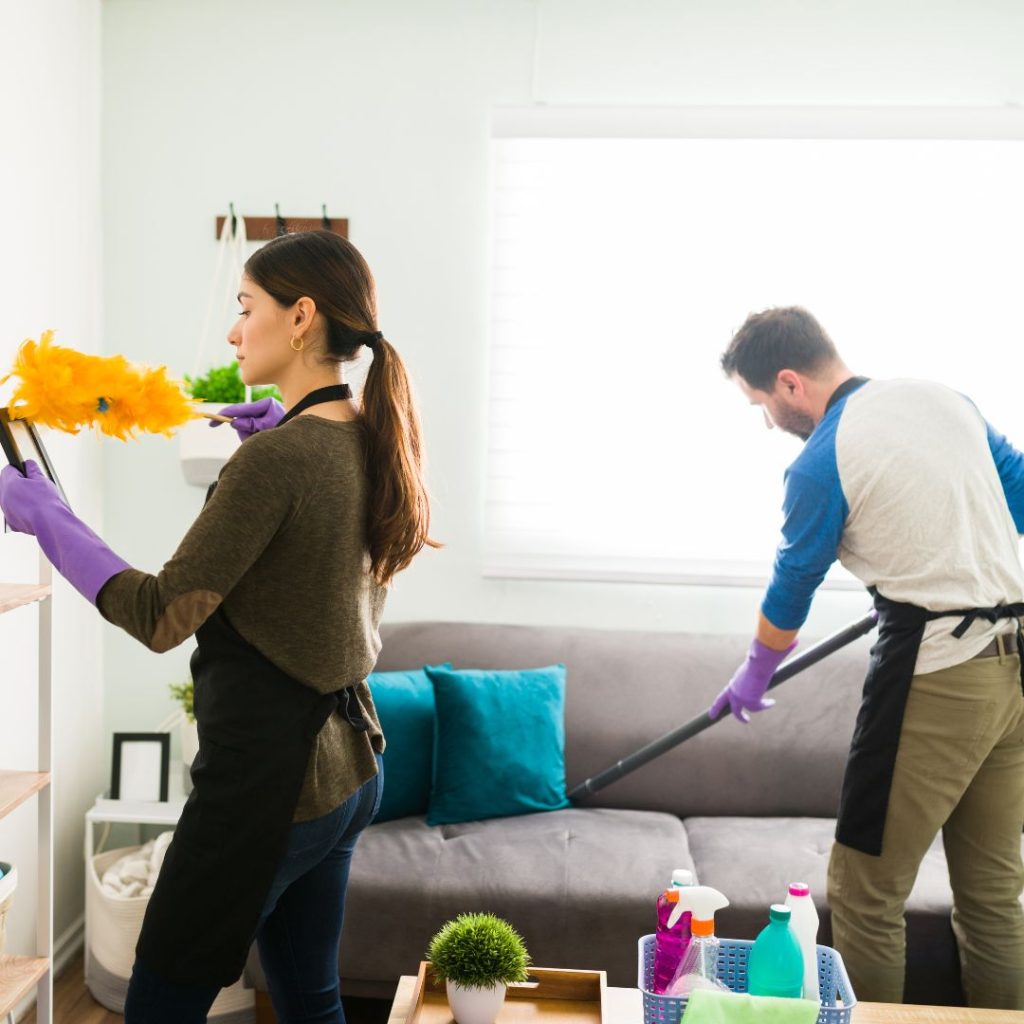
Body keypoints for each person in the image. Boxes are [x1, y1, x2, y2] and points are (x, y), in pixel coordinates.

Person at [0, 230, 436, 1023]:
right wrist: (273, 438)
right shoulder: (368, 438)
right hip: (347, 772)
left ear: (301, 317)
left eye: (246, 309)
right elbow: (309, 570)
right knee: (312, 1000)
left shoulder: (279, 461)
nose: (234, 332)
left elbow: (163, 613)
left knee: (159, 1005)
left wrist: (50, 518)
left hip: (270, 791)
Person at [710, 306, 1024, 1008]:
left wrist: (754, 673)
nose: (766, 422)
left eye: (760, 404)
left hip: (939, 675)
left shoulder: (821, 461)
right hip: (1013, 670)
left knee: (865, 893)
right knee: (993, 896)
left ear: (789, 383)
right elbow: (1023, 499)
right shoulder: (944, 402)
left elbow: (792, 587)